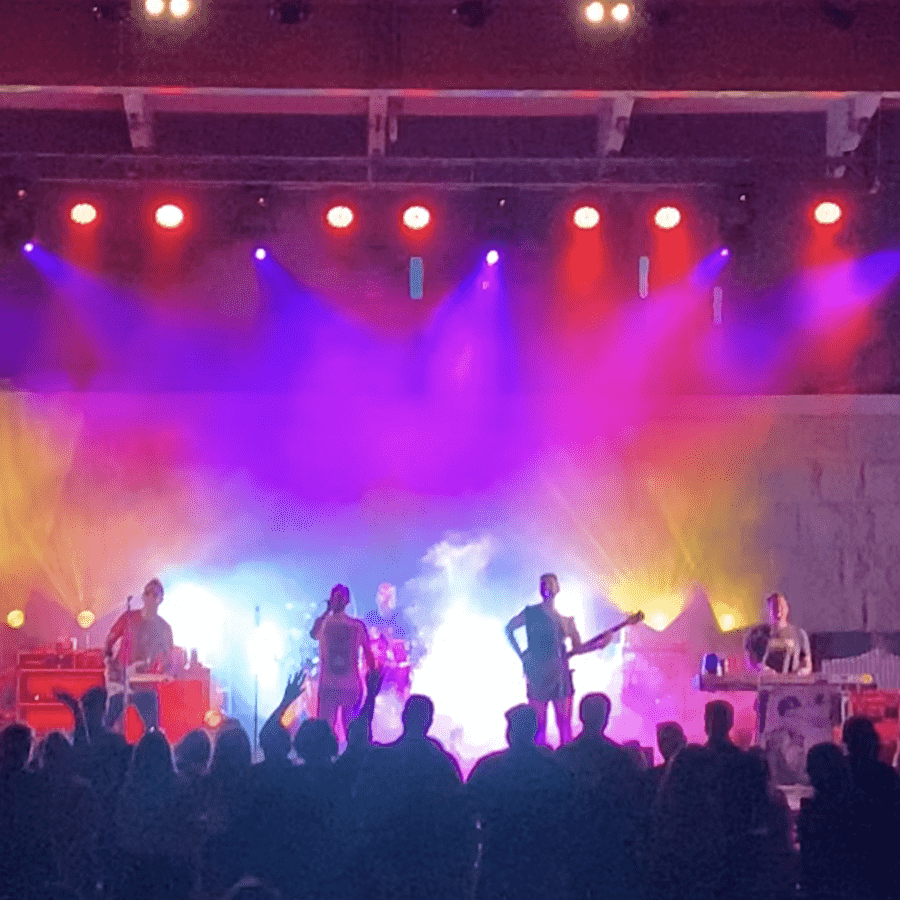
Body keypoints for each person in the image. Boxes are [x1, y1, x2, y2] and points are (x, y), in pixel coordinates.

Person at [505, 572, 589, 745]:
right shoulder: (531, 613)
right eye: (543, 584)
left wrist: (602, 643)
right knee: (538, 726)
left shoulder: (566, 621)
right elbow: (510, 628)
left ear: (557, 588)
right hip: (538, 676)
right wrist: (522, 656)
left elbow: (578, 648)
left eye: (550, 583)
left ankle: (565, 761)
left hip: (560, 677)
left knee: (564, 725)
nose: (547, 587)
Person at [103, 578, 174, 730]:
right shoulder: (129, 618)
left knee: (152, 728)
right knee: (108, 724)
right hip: (121, 681)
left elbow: (170, 658)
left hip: (145, 683)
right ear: (143, 596)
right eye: (148, 594)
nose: (151, 598)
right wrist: (109, 663)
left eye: (156, 595)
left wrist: (167, 672)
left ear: (161, 599)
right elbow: (110, 639)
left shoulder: (164, 628)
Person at [310, 584, 377, 741]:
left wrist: (373, 675)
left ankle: (351, 763)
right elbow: (313, 633)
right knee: (324, 734)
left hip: (350, 687)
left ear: (347, 601)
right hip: (328, 686)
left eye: (341, 597)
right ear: (331, 599)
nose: (338, 600)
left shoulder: (356, 626)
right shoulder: (324, 623)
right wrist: (326, 611)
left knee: (352, 733)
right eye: (335, 597)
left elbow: (368, 654)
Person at [364, 582, 416, 698]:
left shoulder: (400, 617)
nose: (385, 599)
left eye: (389, 595)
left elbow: (409, 641)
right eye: (382, 594)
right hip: (377, 667)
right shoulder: (371, 617)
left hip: (397, 668)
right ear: (377, 596)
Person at [745, 592, 812, 675]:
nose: (778, 611)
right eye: (774, 607)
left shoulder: (799, 634)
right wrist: (763, 670)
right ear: (768, 610)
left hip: (793, 685)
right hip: (765, 684)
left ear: (787, 608)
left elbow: (807, 664)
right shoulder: (756, 634)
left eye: (781, 607)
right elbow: (750, 663)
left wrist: (802, 672)